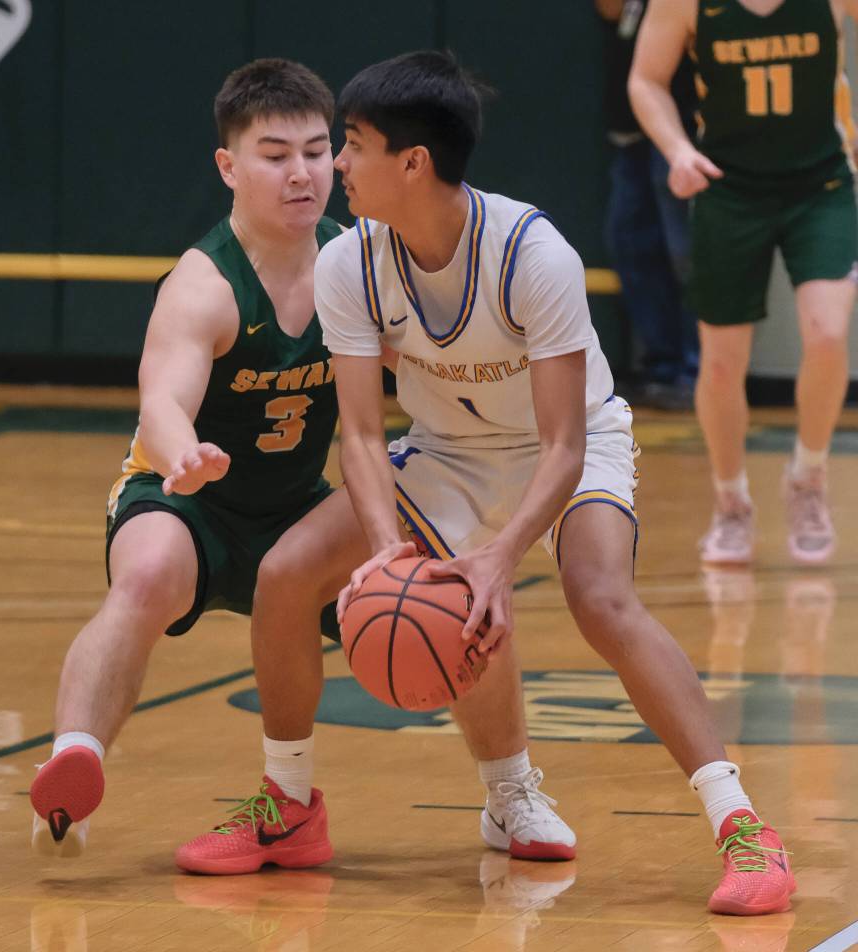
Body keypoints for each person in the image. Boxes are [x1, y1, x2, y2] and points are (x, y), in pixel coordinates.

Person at [181, 51, 796, 917]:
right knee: (288, 574)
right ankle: (289, 805)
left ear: (412, 162)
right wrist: (391, 553)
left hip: (568, 447)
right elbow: (359, 433)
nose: (335, 168)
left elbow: (564, 443)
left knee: (599, 597)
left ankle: (743, 828)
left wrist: (499, 558)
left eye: (350, 146)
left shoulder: (533, 253)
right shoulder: (347, 262)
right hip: (446, 450)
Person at [27, 57, 346, 858]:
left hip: (299, 503)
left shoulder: (360, 262)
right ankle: (75, 760)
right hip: (185, 495)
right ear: (229, 167)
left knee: (439, 601)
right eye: (276, 155)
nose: (301, 172)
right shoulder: (204, 284)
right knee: (145, 577)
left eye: (316, 150)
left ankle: (508, 790)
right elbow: (161, 401)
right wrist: (184, 455)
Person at [629, 0, 858, 565]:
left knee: (829, 334)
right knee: (724, 361)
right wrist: (678, 151)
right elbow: (646, 80)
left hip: (822, 182)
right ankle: (731, 502)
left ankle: (807, 476)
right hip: (727, 189)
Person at [596, 0, 698, 409]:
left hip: (683, 128)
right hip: (631, 133)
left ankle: (697, 369)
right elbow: (608, 10)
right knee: (631, 247)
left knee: (687, 252)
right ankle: (662, 366)